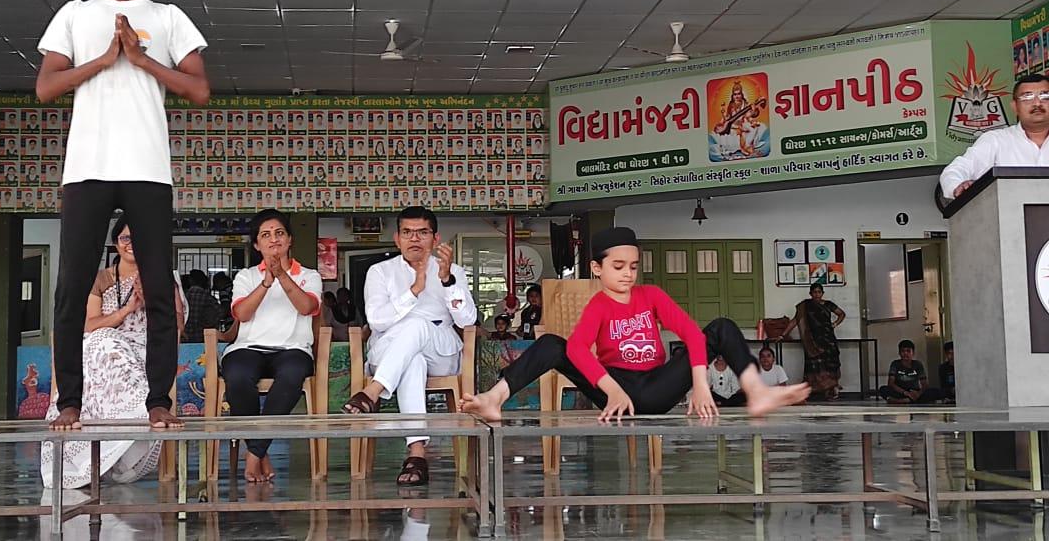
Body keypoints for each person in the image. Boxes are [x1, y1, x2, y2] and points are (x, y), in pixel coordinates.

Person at [36, 0, 209, 431]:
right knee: (72, 286)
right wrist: (105, 58)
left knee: (158, 287)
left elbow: (199, 90)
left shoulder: (169, 16)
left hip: (148, 167)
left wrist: (142, 59)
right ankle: (71, 400)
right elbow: (45, 88)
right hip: (87, 165)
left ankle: (159, 400)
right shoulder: (74, 14)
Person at [460, 227, 808, 426]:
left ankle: (757, 391)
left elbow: (689, 332)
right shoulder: (598, 305)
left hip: (657, 387)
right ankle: (494, 397)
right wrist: (610, 388)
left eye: (633, 266)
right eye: (618, 266)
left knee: (719, 327)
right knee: (553, 343)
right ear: (597, 268)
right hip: (617, 391)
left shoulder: (651, 295)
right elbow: (579, 349)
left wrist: (699, 384)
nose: (627, 273)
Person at [41, 214, 186, 487]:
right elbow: (89, 325)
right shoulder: (100, 279)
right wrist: (127, 310)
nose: (132, 244)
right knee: (104, 340)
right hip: (103, 349)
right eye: (126, 238)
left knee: (107, 343)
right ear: (116, 243)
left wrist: (155, 302)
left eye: (139, 238)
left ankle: (138, 418)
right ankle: (129, 416)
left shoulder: (161, 278)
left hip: (146, 349)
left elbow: (177, 326)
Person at [343, 206, 478, 486]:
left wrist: (446, 281)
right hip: (391, 348)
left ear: (435, 238)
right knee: (412, 359)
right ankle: (416, 454)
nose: (414, 239)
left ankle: (373, 392)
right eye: (407, 232)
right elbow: (378, 321)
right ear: (397, 239)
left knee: (418, 326)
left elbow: (468, 321)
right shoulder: (380, 272)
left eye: (422, 233)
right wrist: (415, 289)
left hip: (440, 349)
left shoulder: (453, 272)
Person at [220, 209, 322, 482]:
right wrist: (267, 282)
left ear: (289, 240)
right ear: (257, 245)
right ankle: (261, 452)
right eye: (265, 235)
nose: (273, 240)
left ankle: (253, 454)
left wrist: (282, 276)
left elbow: (307, 307)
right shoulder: (246, 276)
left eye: (279, 233)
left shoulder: (310, 275)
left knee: (291, 376)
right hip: (248, 348)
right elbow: (241, 315)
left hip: (293, 350)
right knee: (238, 376)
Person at [940, 73, 1049, 199]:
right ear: (1015, 107)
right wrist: (958, 186)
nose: (1037, 103)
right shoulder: (996, 140)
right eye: (1027, 97)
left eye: (1045, 96)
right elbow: (955, 170)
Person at [777, 283, 845, 401]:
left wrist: (834, 324)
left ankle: (831, 391)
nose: (817, 295)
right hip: (812, 342)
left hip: (828, 340)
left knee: (830, 366)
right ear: (810, 294)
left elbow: (841, 314)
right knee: (814, 367)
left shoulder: (828, 304)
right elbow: (795, 321)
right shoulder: (805, 306)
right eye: (814, 292)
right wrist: (783, 335)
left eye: (819, 292)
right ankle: (810, 392)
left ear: (822, 293)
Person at [879, 340, 942, 404]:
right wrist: (905, 393)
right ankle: (908, 400)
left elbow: (924, 384)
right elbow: (891, 383)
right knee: (883, 389)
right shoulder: (895, 364)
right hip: (900, 392)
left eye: (908, 351)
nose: (905, 354)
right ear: (899, 353)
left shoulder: (918, 364)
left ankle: (903, 401)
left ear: (913, 353)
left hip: (914, 392)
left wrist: (918, 393)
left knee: (935, 392)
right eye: (903, 351)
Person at [181, 269, 220, 343]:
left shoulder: (183, 297)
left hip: (185, 338)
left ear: (191, 281)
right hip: (203, 338)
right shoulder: (208, 298)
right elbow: (219, 313)